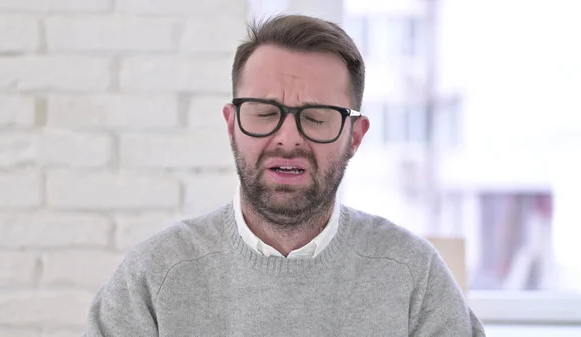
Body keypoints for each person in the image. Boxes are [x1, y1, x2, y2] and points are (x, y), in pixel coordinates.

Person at [84, 14, 486, 336]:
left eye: (316, 118)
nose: (288, 138)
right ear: (231, 124)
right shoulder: (155, 275)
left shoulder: (414, 275)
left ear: (355, 136)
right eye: (265, 113)